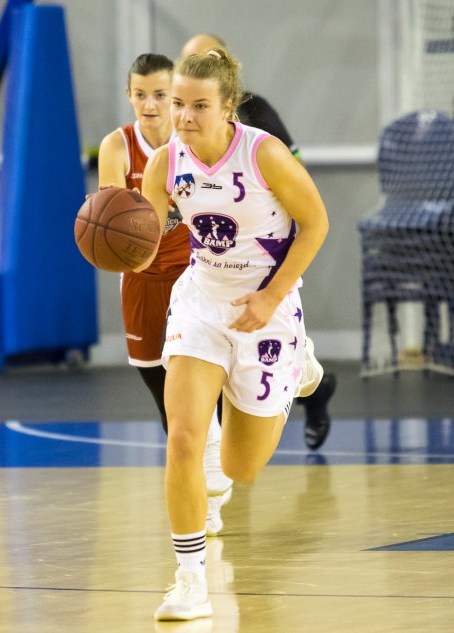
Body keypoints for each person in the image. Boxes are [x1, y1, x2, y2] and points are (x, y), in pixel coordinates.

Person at [141, 48, 329, 620]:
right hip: (201, 303)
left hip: (268, 307)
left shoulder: (263, 154)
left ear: (228, 108)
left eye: (199, 105)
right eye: (178, 103)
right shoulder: (164, 163)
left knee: (241, 469)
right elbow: (144, 246)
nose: (184, 116)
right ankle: (189, 579)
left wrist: (271, 296)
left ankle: (298, 364)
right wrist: (114, 242)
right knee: (183, 440)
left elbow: (316, 223)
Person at [97, 54, 233, 536]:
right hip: (143, 277)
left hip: (194, 274)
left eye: (160, 95)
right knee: (166, 401)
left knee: (201, 389)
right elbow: (114, 219)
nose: (150, 104)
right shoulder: (117, 146)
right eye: (140, 95)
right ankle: (200, 477)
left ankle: (210, 492)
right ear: (129, 96)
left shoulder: (191, 140)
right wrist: (107, 232)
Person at [181, 33, 336, 451]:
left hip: (263, 252)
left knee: (265, 361)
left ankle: (312, 385)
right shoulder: (182, 126)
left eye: (204, 57)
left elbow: (296, 173)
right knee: (202, 362)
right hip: (209, 253)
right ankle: (214, 465)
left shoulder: (257, 114)